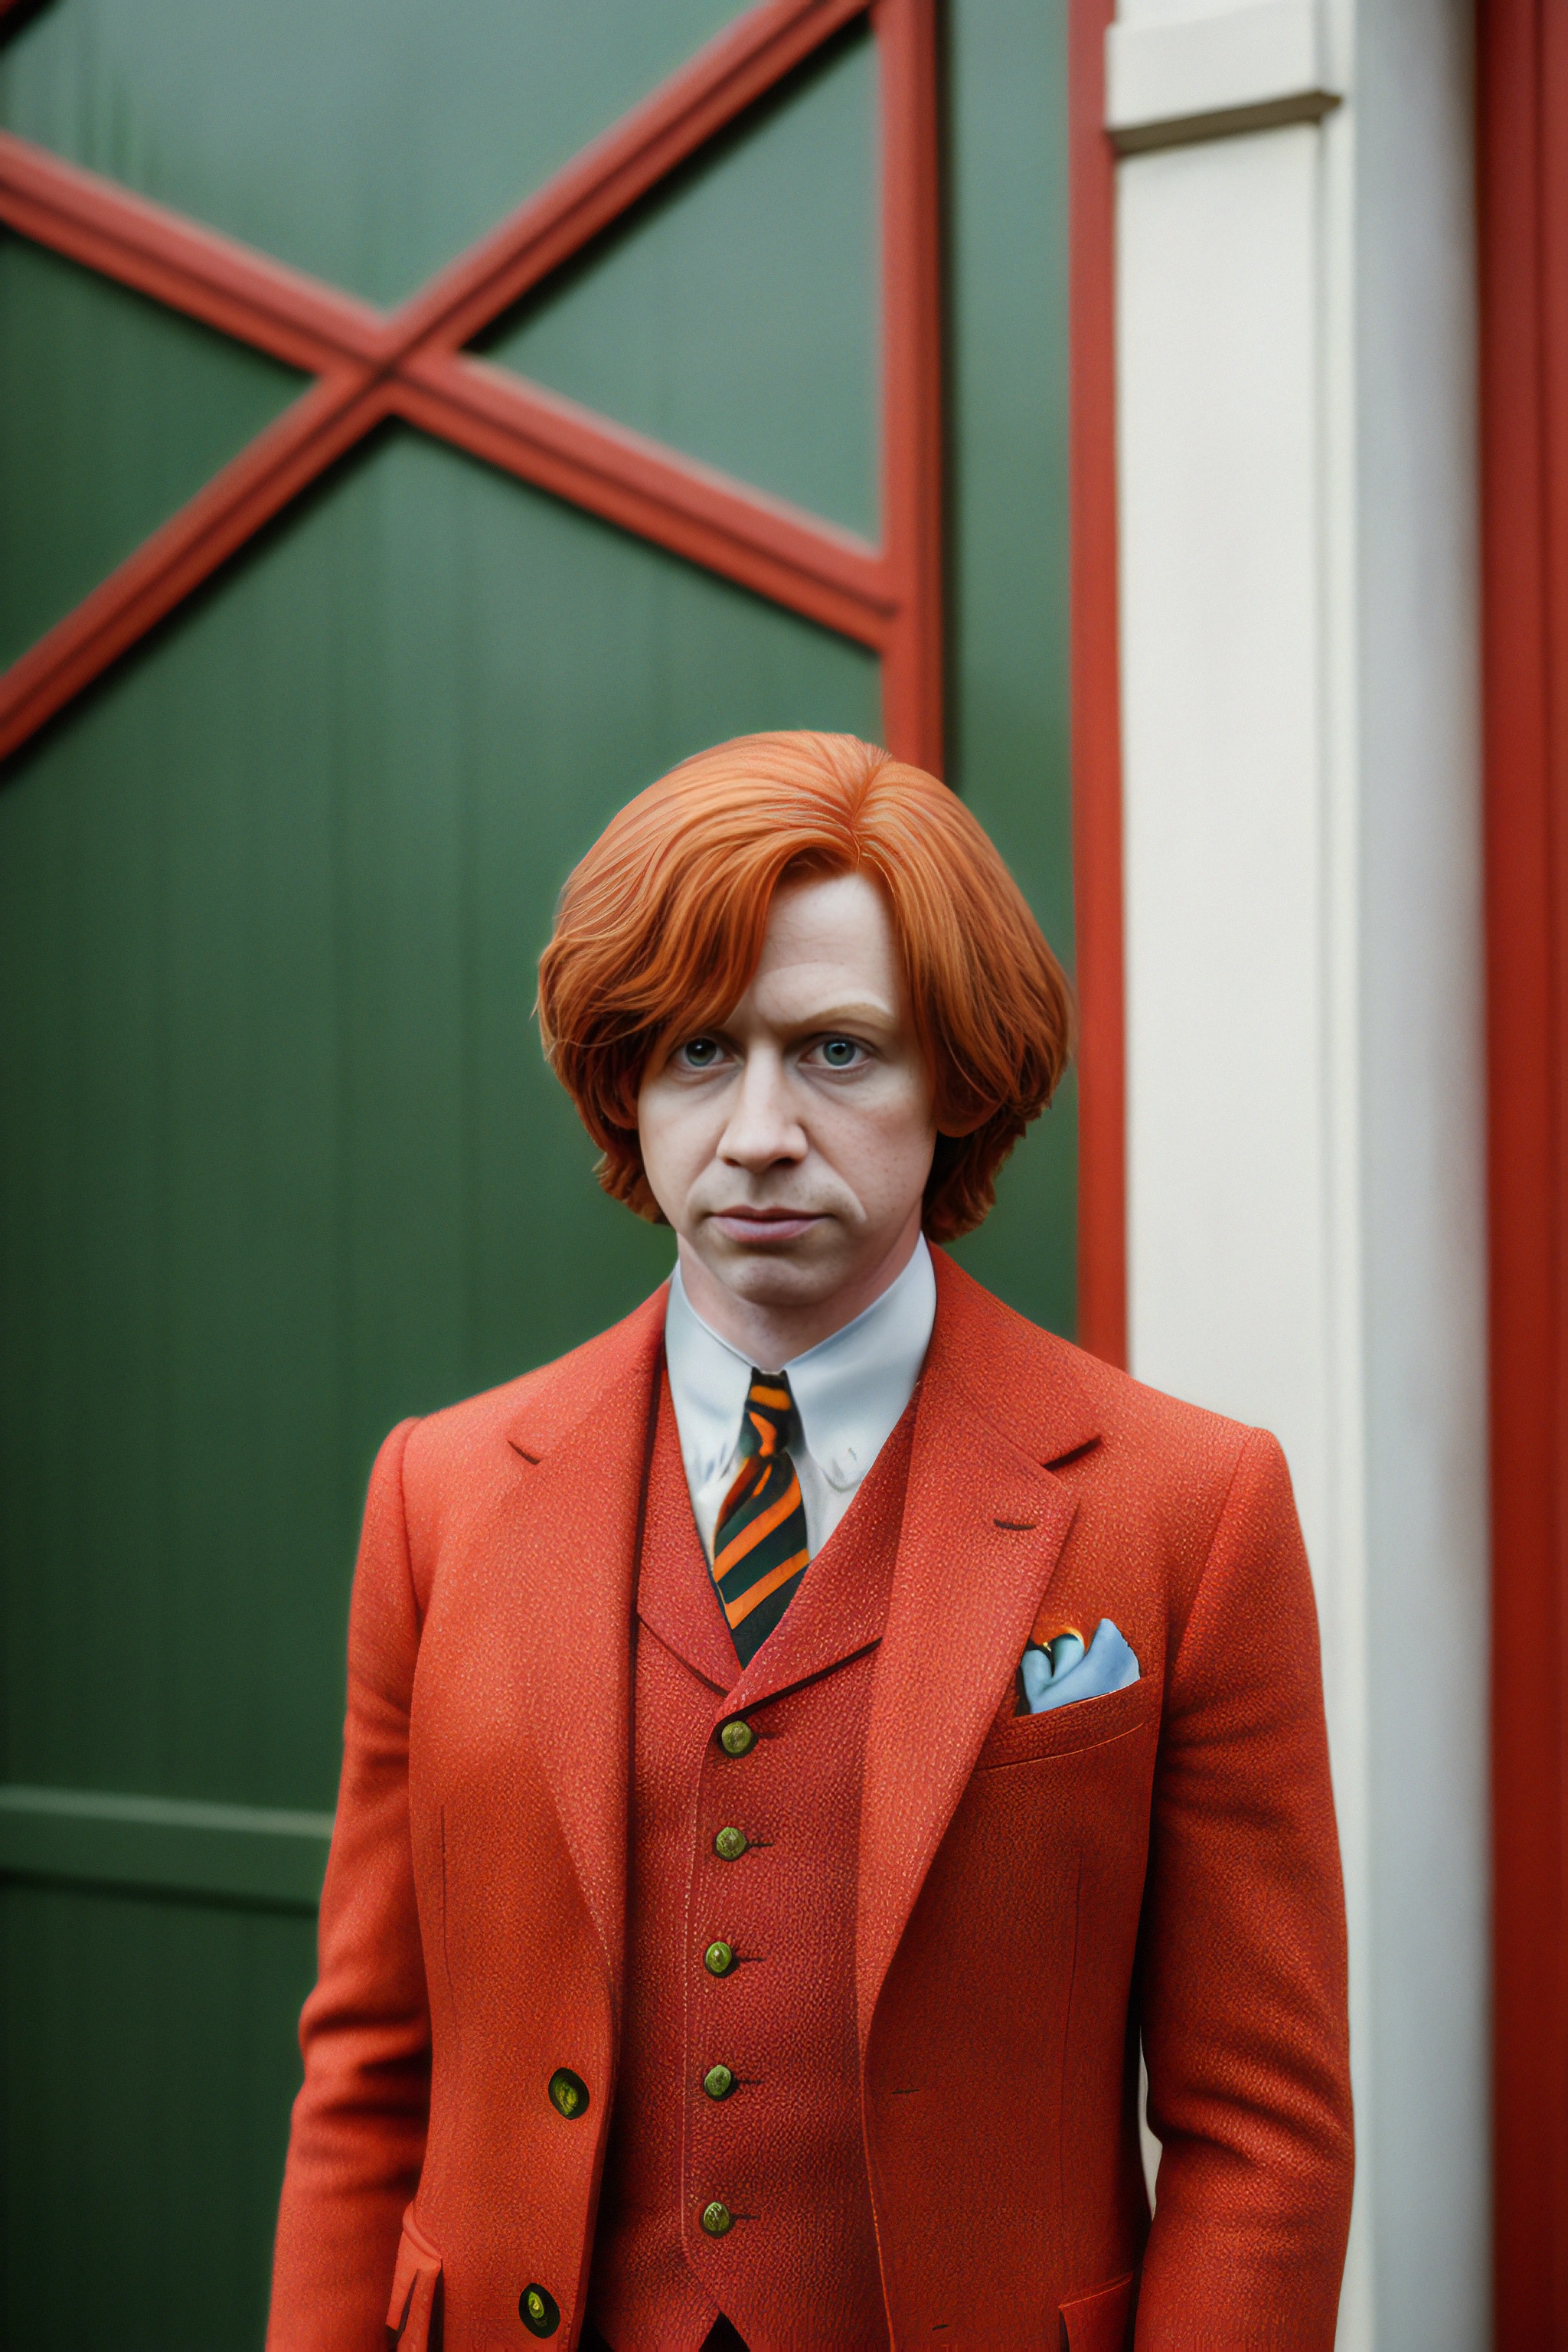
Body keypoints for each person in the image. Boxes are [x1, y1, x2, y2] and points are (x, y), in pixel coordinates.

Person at [267, 732, 1353, 2352]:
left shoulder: (1188, 1512)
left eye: (836, 1053)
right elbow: (366, 2074)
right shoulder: (440, 1494)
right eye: (701, 1052)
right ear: (625, 1088)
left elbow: (1263, 2134)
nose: (761, 1129)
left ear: (959, 1080)